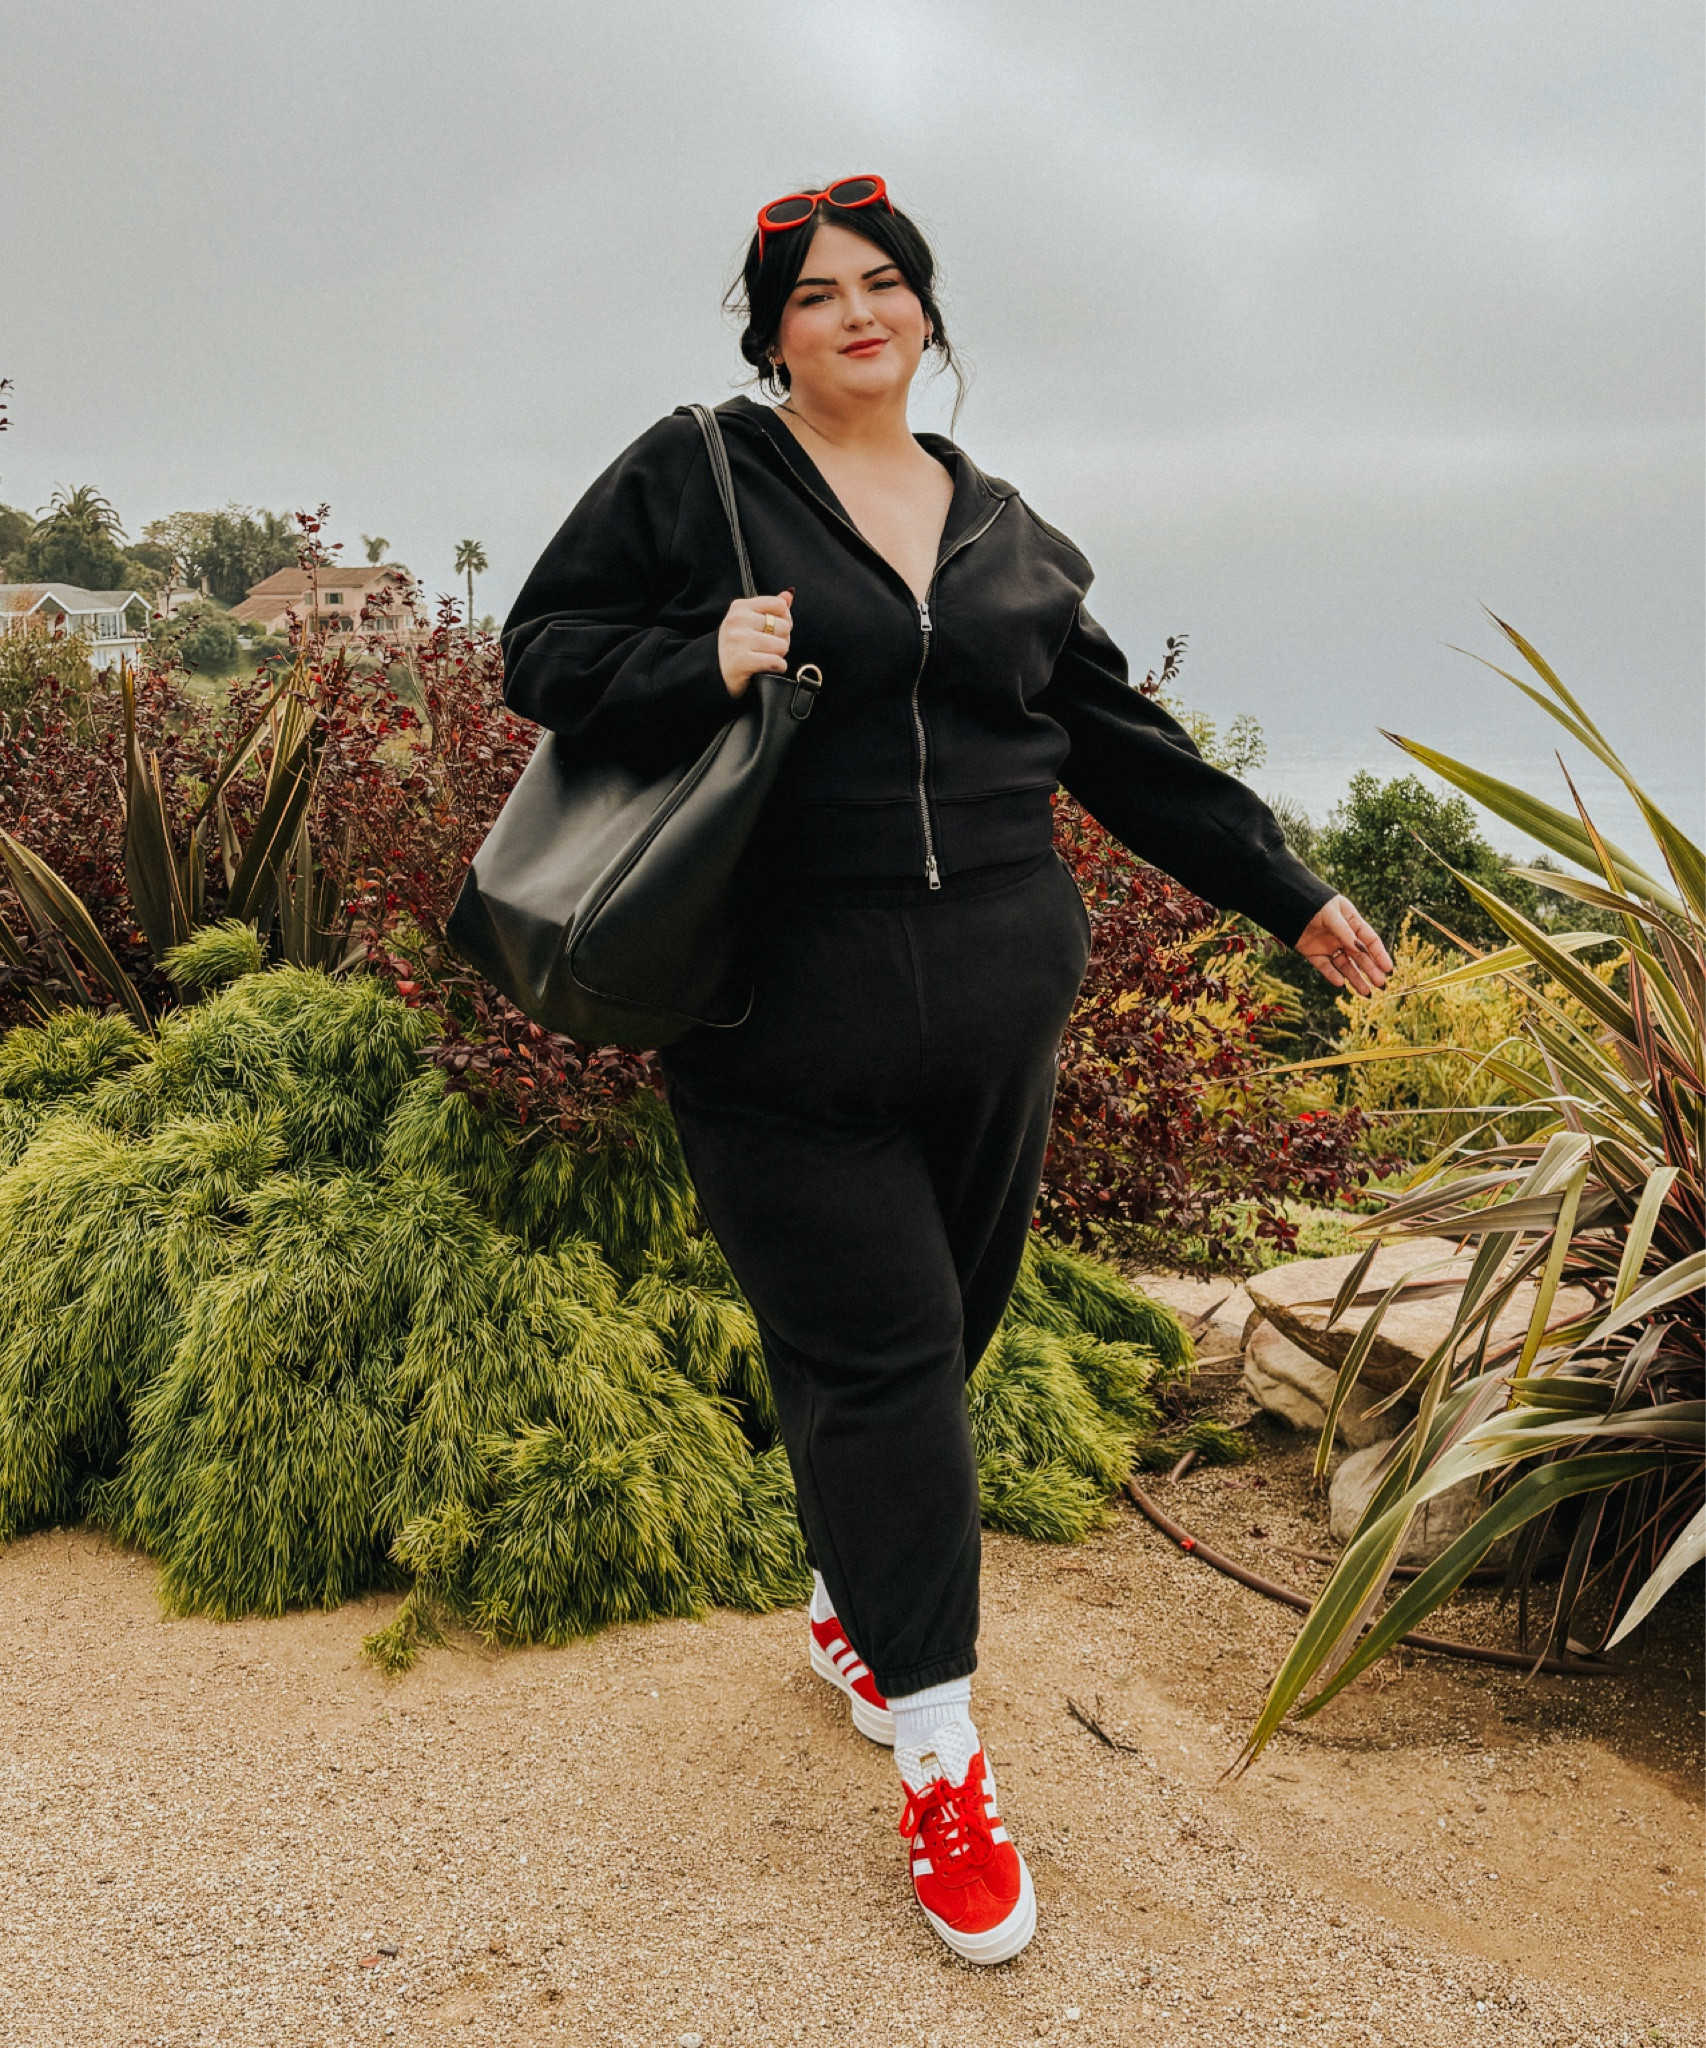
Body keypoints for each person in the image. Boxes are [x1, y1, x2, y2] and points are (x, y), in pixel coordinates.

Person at [501, 175, 1392, 1965]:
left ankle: (854, 1604)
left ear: (925, 316)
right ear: (769, 334)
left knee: (946, 1334)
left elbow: (1123, 748)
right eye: (816, 293)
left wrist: (1289, 893)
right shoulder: (700, 473)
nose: (855, 312)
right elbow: (541, 655)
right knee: (889, 1366)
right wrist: (704, 653)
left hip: (998, 1011)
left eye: (884, 284)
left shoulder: (1002, 529)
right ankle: (942, 1753)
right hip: (776, 1019)